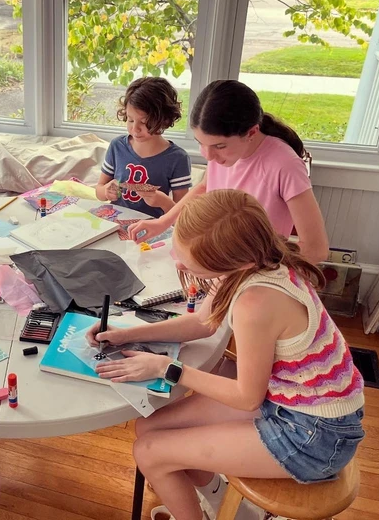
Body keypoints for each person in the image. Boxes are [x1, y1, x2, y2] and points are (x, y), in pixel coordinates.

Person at [88, 190, 364, 520]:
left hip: (314, 434)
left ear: (235, 262)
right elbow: (202, 324)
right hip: (290, 402)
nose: (178, 264)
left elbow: (247, 397)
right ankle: (229, 510)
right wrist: (125, 333)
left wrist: (167, 368)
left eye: (190, 263)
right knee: (149, 427)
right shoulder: (256, 259)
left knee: (148, 452)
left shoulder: (256, 302)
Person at [128, 80, 328, 264]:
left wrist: (243, 267)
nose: (208, 156)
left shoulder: (285, 164)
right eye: (200, 143)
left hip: (254, 274)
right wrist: (163, 223)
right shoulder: (222, 153)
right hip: (215, 263)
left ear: (251, 132)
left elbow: (316, 249)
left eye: (219, 146)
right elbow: (205, 187)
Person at [95, 77, 192, 218]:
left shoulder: (178, 158)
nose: (135, 129)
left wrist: (164, 202)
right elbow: (99, 191)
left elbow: (182, 216)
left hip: (153, 226)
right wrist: (106, 191)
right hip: (114, 222)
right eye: (130, 120)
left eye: (144, 122)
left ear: (164, 120)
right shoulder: (117, 146)